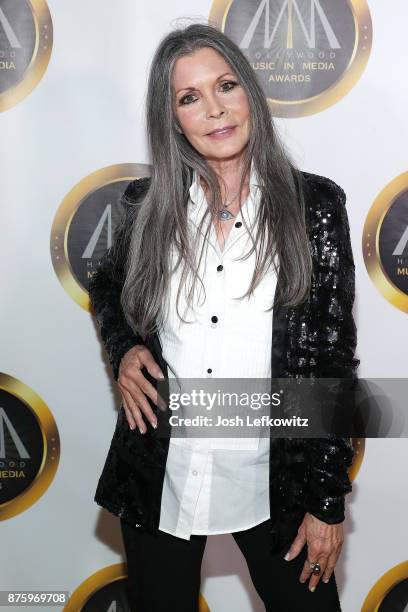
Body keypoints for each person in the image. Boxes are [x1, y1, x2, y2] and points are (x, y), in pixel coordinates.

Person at [89, 23, 359, 612]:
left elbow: (332, 366)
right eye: (190, 97)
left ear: (251, 95)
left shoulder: (314, 206)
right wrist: (124, 345)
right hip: (163, 475)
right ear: (173, 118)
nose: (214, 110)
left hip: (276, 481)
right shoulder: (145, 206)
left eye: (226, 86)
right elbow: (108, 285)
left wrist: (326, 503)